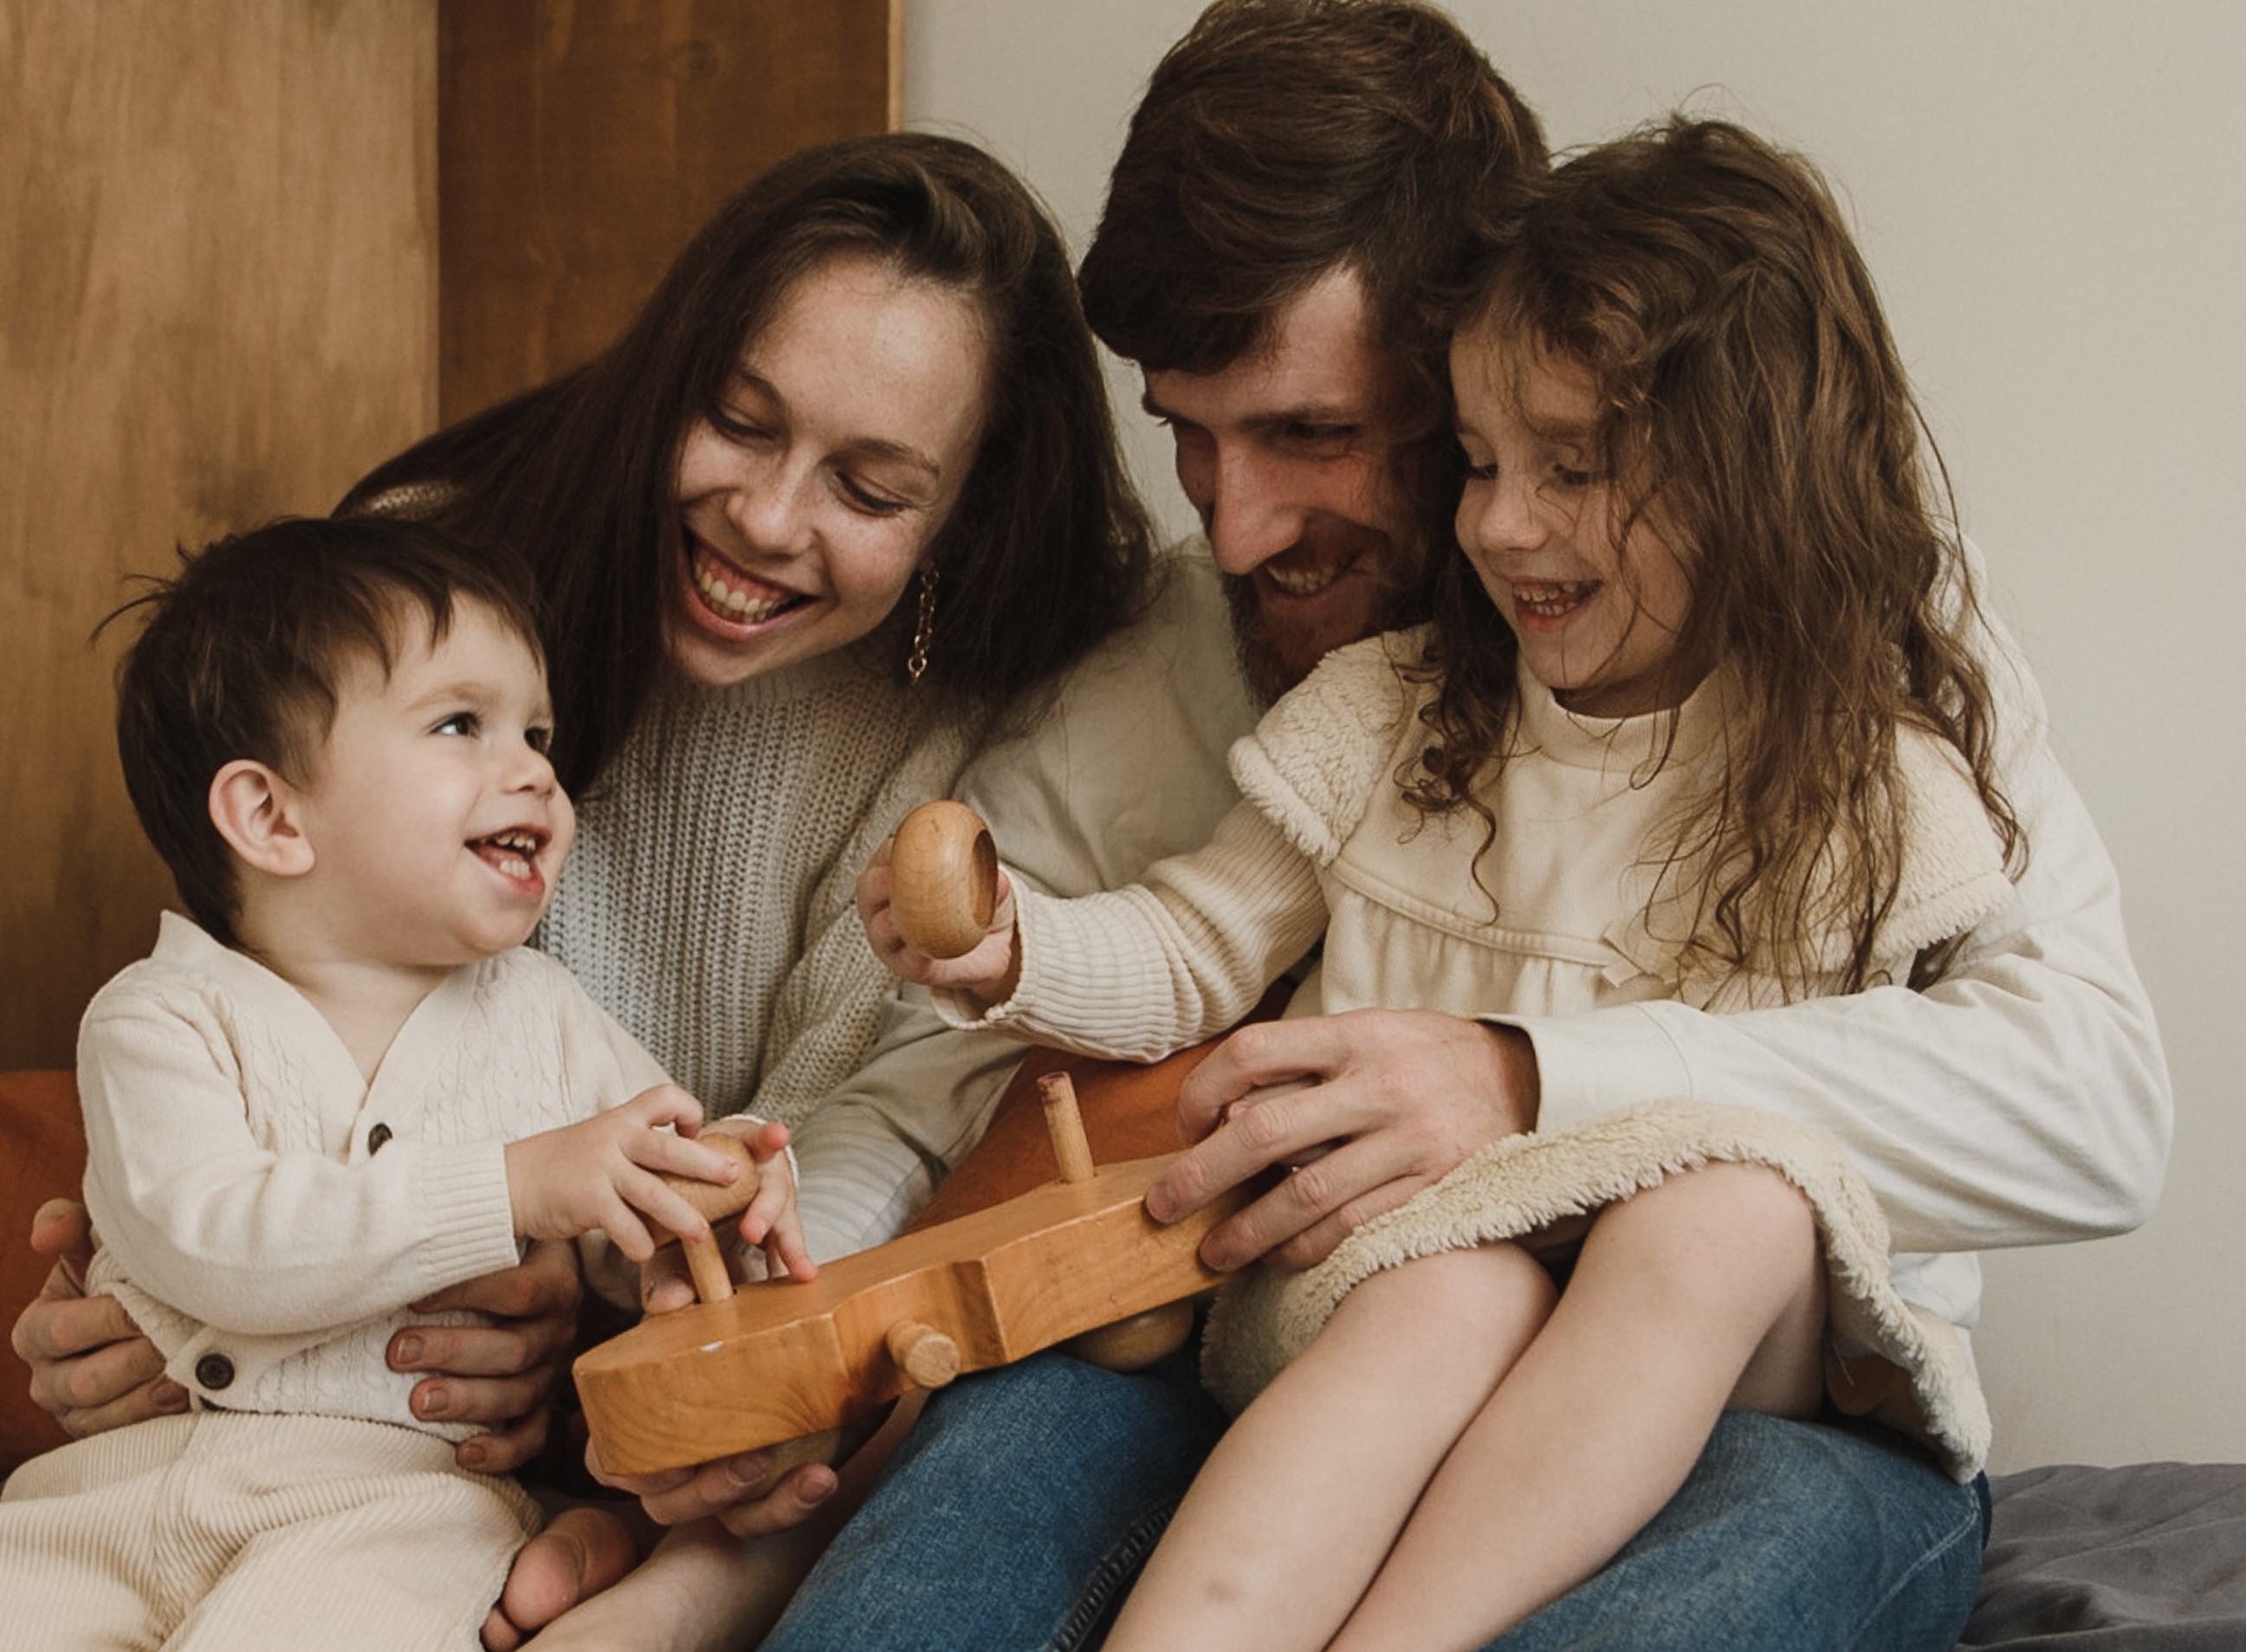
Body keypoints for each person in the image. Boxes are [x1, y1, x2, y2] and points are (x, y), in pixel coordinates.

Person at [760, 4, 2169, 1651]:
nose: (1233, 528)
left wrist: (1526, 1080)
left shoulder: (1867, 652)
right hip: (1315, 1325)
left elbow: (2091, 1107)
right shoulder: (1227, 686)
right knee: (953, 1546)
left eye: (1312, 434)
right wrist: (784, 1365)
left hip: (1753, 1405)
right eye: (1186, 437)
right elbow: (919, 1086)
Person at [10, 133, 1254, 1648]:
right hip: (288, 1389)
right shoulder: (436, 575)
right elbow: (283, 990)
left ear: (965, 514)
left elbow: (848, 1147)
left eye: (869, 487)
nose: (768, 520)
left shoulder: (1023, 704)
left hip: (572, 1421)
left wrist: (658, 1267)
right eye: (739, 421)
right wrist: (120, 1289)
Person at [0, 515, 811, 1649]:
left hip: (394, 1511)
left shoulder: (548, 1018)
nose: (532, 766)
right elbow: (215, 1240)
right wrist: (515, 1187)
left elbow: (647, 1220)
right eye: (460, 725)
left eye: (536, 731)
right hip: (102, 1500)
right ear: (271, 816)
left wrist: (719, 1210)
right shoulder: (158, 1017)